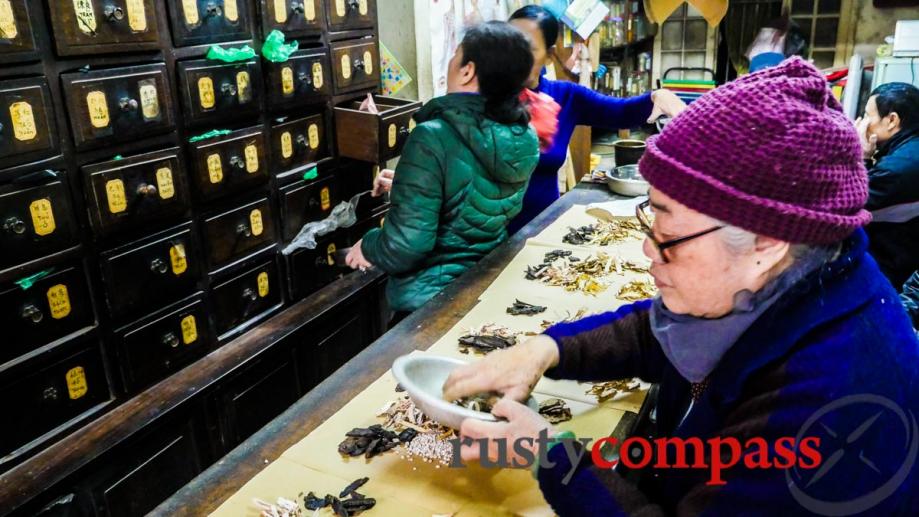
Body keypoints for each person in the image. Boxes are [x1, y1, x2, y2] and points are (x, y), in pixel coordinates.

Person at [443, 58, 919, 515]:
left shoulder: (823, 406)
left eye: (667, 232)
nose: (648, 248)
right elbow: (668, 331)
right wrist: (544, 351)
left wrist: (552, 458)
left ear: (767, 241)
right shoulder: (801, 272)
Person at [345, 21, 539, 325]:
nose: (451, 62)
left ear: (467, 71)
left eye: (456, 54)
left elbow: (407, 244)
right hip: (484, 284)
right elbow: (476, 197)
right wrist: (412, 183)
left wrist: (368, 245)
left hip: (429, 302)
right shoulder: (522, 135)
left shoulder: (432, 136)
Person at [506, 5, 686, 233]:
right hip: (488, 237)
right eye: (507, 46)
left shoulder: (565, 96)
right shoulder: (483, 100)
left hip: (541, 227)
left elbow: (620, 112)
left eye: (527, 48)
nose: (513, 57)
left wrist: (657, 97)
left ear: (550, 56)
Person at [856, 82, 919, 290]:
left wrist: (861, 157)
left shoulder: (897, 168)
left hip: (890, 272)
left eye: (867, 116)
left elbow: (852, 203)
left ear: (892, 120)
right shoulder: (910, 150)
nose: (863, 123)